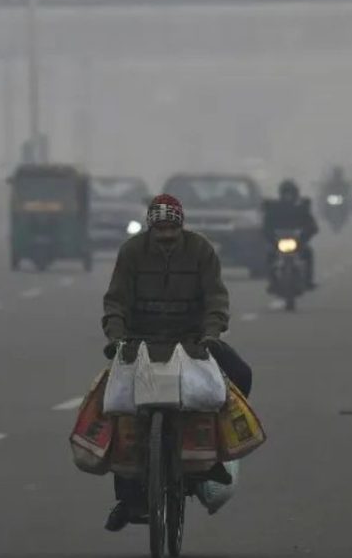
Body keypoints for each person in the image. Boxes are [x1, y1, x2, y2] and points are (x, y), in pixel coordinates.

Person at [101, 193, 253, 532]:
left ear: (181, 227)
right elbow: (116, 302)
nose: (166, 237)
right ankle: (127, 497)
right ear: (150, 228)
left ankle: (214, 457)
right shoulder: (131, 252)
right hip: (140, 342)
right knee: (118, 409)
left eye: (172, 230)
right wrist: (116, 338)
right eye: (160, 231)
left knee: (241, 375)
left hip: (193, 341)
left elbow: (216, 298)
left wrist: (212, 334)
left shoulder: (201, 251)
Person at [262, 179, 319, 291]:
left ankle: (308, 281)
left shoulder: (301, 208)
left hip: (298, 241)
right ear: (281, 194)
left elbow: (312, 226)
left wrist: (303, 238)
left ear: (295, 194)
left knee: (308, 253)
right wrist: (272, 239)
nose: (288, 196)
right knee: (269, 256)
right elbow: (266, 226)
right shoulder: (274, 208)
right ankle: (272, 282)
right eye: (285, 193)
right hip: (278, 242)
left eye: (290, 193)